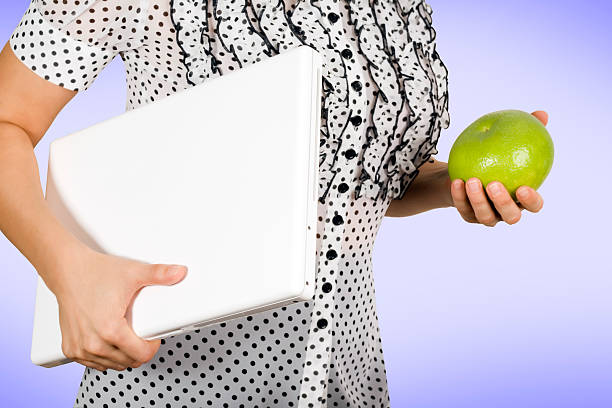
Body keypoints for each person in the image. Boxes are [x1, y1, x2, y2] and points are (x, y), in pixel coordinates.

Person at [0, 0, 546, 406]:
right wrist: (66, 271)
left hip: (345, 370)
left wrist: (458, 186)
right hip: (179, 374)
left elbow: (359, 177)